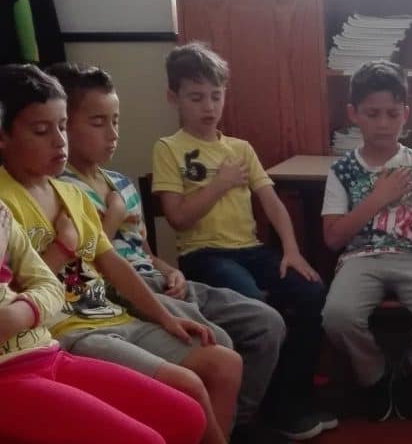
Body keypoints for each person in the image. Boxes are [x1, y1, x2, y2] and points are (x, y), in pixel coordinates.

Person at [48, 61, 288, 444]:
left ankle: (234, 424)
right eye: (98, 123)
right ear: (64, 126)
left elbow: (142, 249)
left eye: (115, 121)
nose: (112, 134)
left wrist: (168, 269)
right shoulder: (59, 189)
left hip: (159, 280)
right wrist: (112, 217)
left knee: (266, 323)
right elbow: (82, 263)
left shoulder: (120, 183)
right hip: (118, 291)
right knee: (216, 344)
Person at [0, 63, 239, 444]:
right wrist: (63, 247)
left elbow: (111, 262)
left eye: (62, 127)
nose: (59, 142)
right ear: (3, 136)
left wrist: (165, 317)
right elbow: (15, 294)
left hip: (112, 316)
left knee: (223, 362)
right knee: (188, 386)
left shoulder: (72, 195)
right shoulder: (5, 202)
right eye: (42, 131)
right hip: (67, 331)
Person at [152, 42, 333, 440]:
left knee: (311, 291)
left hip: (251, 251)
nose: (208, 106)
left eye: (216, 96)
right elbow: (178, 217)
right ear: (173, 97)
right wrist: (219, 184)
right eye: (196, 97)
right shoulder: (169, 149)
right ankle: (250, 413)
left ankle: (291, 398)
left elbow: (273, 203)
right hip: (204, 255)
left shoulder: (240, 148)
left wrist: (291, 250)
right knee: (255, 306)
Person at [321, 60, 412, 421]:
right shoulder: (342, 171)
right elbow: (333, 238)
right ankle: (373, 375)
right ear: (354, 114)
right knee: (337, 316)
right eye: (373, 114)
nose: (383, 123)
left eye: (392, 114)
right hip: (360, 258)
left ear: (405, 114)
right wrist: (376, 199)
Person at [0, 200, 208, 444]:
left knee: (187, 417)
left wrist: (25, 312)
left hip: (47, 354)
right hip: (8, 374)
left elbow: (50, 285)